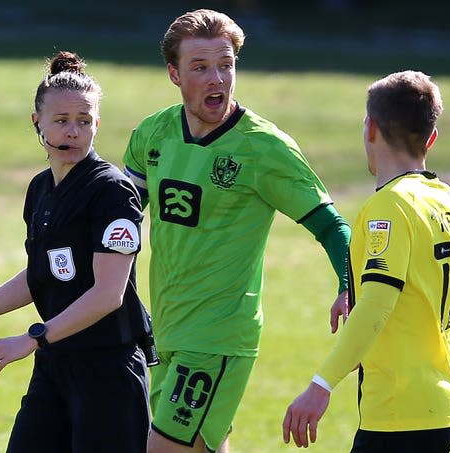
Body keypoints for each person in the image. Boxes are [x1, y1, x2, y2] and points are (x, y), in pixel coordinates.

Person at [123, 9, 351, 453]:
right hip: (165, 331)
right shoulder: (152, 134)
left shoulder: (264, 148)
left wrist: (348, 282)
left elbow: (331, 225)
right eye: (201, 67)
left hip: (217, 338)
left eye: (226, 65)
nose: (217, 79)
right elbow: (119, 223)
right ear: (174, 73)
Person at [0, 51, 151, 453]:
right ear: (36, 122)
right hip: (56, 364)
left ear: (97, 125)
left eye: (84, 121)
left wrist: (32, 338)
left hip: (107, 373)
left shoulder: (111, 191)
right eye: (61, 121)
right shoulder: (41, 189)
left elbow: (109, 294)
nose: (73, 132)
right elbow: (41, 274)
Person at [282, 70, 450, 453]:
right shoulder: (445, 199)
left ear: (370, 129)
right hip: (441, 403)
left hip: (400, 412)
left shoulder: (388, 206)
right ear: (431, 138)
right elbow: (410, 289)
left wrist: (321, 385)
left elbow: (378, 305)